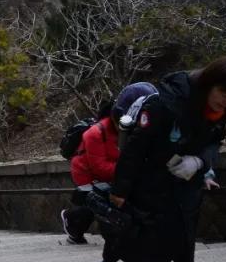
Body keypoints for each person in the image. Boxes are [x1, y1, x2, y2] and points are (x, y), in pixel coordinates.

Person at [99, 57, 226, 262]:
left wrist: (200, 162)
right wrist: (121, 189)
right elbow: (136, 147)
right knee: (126, 226)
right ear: (209, 84)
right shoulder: (168, 101)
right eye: (224, 93)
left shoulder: (222, 112)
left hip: (182, 179)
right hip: (147, 175)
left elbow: (214, 142)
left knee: (172, 231)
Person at [62, 83, 158, 245]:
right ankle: (71, 221)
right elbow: (99, 167)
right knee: (96, 201)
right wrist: (131, 170)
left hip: (114, 171)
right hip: (86, 172)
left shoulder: (134, 131)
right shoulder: (95, 134)